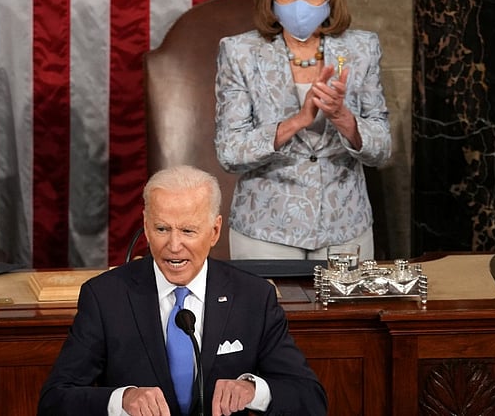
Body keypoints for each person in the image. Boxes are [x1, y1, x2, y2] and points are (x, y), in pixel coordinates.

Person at [38, 165, 327, 416]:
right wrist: (121, 400)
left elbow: (310, 398)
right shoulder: (105, 297)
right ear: (146, 227)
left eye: (188, 231)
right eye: (162, 229)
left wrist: (254, 391)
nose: (174, 246)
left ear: (214, 232)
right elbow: (54, 401)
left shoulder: (253, 297)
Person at [214, 0, 391, 262]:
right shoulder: (239, 52)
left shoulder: (362, 49)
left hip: (344, 228)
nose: (300, 6)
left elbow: (381, 150)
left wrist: (343, 118)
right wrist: (298, 121)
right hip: (266, 228)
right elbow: (230, 152)